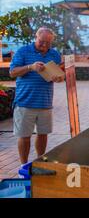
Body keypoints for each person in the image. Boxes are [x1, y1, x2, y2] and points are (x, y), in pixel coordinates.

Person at [9, 27, 65, 165]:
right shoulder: (23, 51)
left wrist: (59, 78)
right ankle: (23, 166)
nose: (44, 45)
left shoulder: (55, 54)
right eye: (42, 41)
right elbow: (12, 72)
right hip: (24, 102)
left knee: (43, 134)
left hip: (45, 102)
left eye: (48, 43)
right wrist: (30, 67)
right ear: (36, 37)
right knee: (24, 136)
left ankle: (40, 162)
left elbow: (60, 75)